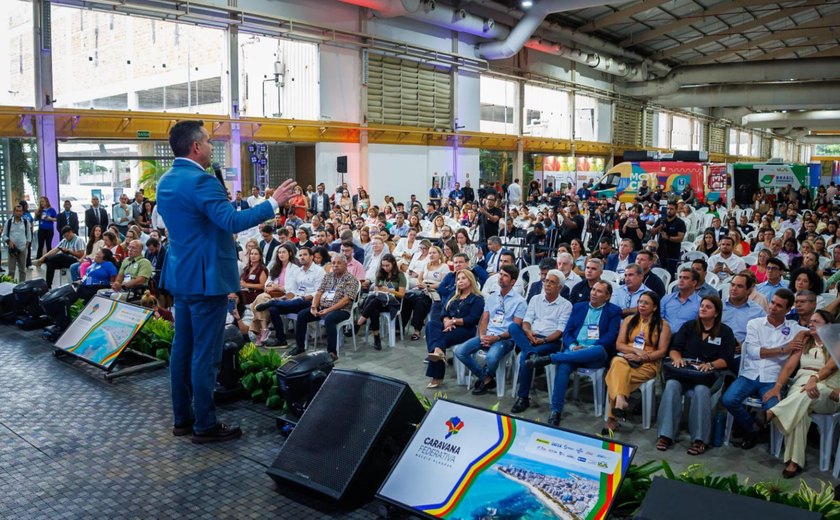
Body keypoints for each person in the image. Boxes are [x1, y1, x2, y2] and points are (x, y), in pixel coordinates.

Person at [157, 120, 296, 443]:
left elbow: (206, 219)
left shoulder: (167, 181)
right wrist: (273, 202)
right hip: (207, 278)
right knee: (206, 353)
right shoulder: (201, 182)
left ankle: (183, 418)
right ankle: (204, 424)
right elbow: (231, 221)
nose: (210, 146)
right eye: (207, 141)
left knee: (183, 348)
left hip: (181, 274)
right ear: (195, 146)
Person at [721, 289, 809, 450]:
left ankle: (754, 427)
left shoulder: (795, 329)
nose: (773, 307)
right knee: (728, 400)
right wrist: (784, 349)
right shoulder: (755, 324)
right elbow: (754, 352)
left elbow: (817, 329)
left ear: (788, 310)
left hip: (773, 378)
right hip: (750, 374)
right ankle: (752, 429)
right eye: (772, 302)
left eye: (779, 305)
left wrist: (802, 335)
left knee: (773, 408)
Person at [526, 280, 622, 426]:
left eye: (599, 291)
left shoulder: (613, 311)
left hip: (595, 354)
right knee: (564, 365)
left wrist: (589, 348)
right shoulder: (579, 307)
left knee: (597, 350)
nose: (594, 293)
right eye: (593, 290)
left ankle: (552, 358)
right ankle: (555, 411)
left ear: (607, 296)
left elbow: (610, 336)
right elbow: (568, 332)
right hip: (573, 350)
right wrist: (572, 345)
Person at [656, 295, 737, 455]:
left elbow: (726, 359)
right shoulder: (689, 326)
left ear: (716, 313)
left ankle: (699, 439)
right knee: (672, 386)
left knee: (701, 390)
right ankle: (665, 435)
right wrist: (677, 358)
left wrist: (711, 364)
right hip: (685, 371)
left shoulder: (725, 332)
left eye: (708, 307)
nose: (703, 309)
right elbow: (674, 348)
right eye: (702, 306)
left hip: (708, 375)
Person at [766, 311, 840, 478]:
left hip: (827, 388)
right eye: (810, 321)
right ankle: (794, 462)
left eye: (816, 321)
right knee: (801, 412)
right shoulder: (805, 341)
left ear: (828, 325)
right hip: (801, 385)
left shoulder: (837, 343)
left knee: (812, 391)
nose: (811, 324)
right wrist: (778, 386)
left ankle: (773, 412)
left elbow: (830, 368)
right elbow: (789, 367)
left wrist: (814, 379)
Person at [454, 264, 526, 396]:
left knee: (491, 358)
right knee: (460, 351)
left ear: (513, 281)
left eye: (505, 276)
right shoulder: (492, 297)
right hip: (487, 335)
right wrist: (482, 336)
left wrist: (497, 338)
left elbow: (515, 328)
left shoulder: (519, 302)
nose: (501, 278)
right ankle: (486, 378)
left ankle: (485, 378)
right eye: (500, 274)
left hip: (505, 339)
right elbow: (484, 320)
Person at [605, 291, 671, 435]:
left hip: (648, 364)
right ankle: (621, 400)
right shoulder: (629, 320)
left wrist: (642, 357)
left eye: (646, 303)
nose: (641, 305)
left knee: (616, 375)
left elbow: (661, 352)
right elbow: (619, 344)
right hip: (626, 359)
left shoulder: (663, 325)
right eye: (640, 302)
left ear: (654, 307)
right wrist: (636, 351)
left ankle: (612, 417)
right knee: (617, 361)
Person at [508, 269, 572, 413]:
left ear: (560, 287)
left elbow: (560, 331)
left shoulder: (566, 305)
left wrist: (542, 341)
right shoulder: (535, 299)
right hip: (530, 337)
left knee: (525, 356)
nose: (547, 284)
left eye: (552, 282)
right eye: (546, 281)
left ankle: (523, 397)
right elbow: (526, 321)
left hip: (550, 341)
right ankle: (532, 353)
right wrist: (529, 333)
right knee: (513, 327)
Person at [293, 254, 359, 359]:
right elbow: (319, 292)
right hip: (323, 307)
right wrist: (314, 307)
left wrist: (328, 310)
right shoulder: (328, 276)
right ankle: (299, 346)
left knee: (329, 319)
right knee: (302, 315)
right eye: (333, 263)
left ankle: (332, 352)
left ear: (345, 264)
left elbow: (346, 300)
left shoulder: (351, 279)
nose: (335, 265)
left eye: (339, 263)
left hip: (341, 310)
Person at [250, 244, 297, 346]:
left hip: (285, 295)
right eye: (279, 252)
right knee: (260, 300)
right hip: (272, 294)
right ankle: (264, 330)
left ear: (290, 253)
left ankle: (261, 332)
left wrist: (278, 287)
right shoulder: (275, 267)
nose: (281, 254)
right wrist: (269, 286)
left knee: (258, 302)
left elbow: (293, 287)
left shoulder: (294, 268)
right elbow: (267, 282)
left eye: (283, 252)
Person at [356, 254, 406, 350]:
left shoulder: (400, 275)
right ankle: (376, 338)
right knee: (375, 305)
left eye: (387, 265)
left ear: (393, 264)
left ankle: (360, 322)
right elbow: (375, 289)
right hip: (379, 300)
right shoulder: (380, 273)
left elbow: (402, 294)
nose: (385, 268)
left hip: (393, 302)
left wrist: (389, 291)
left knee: (374, 302)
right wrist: (380, 290)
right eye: (383, 265)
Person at [721, 273, 767, 346]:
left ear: (748, 290)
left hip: (743, 354)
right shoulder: (718, 306)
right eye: (732, 285)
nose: (734, 289)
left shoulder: (758, 312)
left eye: (739, 286)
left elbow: (763, 336)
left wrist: (745, 346)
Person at [660, 268, 701, 332]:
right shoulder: (666, 299)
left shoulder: (700, 303)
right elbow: (659, 318)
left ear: (694, 283)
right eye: (680, 277)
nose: (681, 280)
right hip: (664, 335)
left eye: (686, 278)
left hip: (686, 338)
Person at [650, 201, 686, 275]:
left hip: (673, 253)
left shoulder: (680, 222)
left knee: (670, 274)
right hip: (660, 252)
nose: (669, 211)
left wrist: (668, 237)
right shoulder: (661, 220)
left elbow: (680, 238)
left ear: (676, 210)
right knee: (659, 273)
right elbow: (652, 232)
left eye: (672, 209)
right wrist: (660, 227)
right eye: (668, 208)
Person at [3, 205, 32, 282]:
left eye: (20, 211)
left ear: (22, 212)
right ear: (14, 212)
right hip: (12, 250)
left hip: (23, 249)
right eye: (17, 211)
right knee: (11, 270)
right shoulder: (8, 222)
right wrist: (9, 241)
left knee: (22, 270)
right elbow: (4, 235)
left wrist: (26, 246)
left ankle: (21, 287)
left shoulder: (26, 222)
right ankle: (9, 288)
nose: (19, 213)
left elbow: (29, 236)